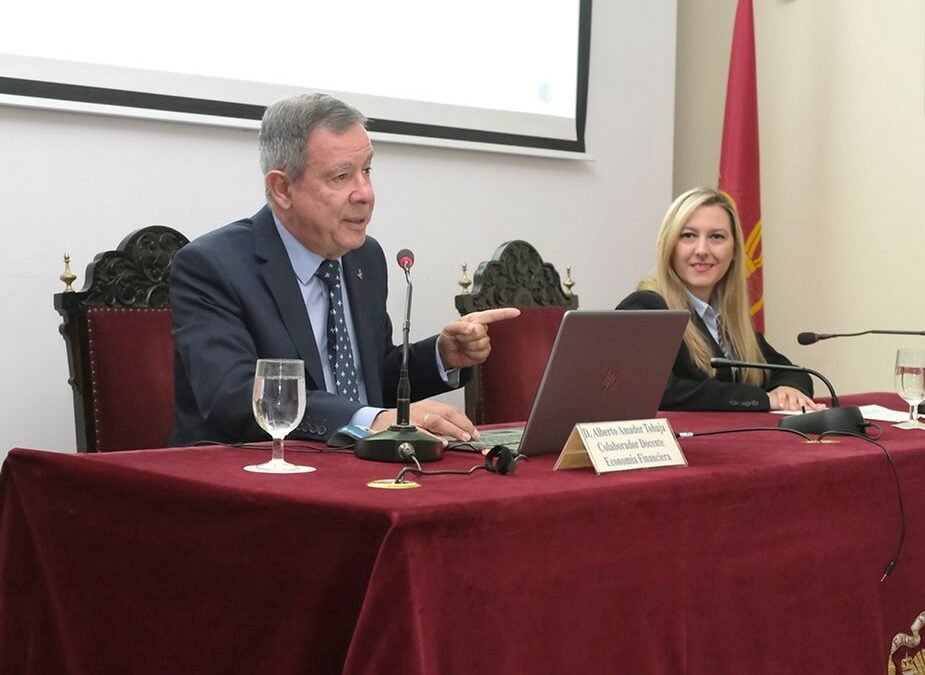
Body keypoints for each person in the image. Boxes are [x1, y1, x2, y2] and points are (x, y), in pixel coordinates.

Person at [170, 92, 518, 446]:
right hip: (253, 467)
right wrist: (369, 420)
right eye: (341, 176)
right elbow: (236, 396)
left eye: (366, 171)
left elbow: (369, 379)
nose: (365, 193)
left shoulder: (364, 257)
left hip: (356, 465)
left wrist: (441, 356)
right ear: (282, 188)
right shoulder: (213, 266)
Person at [616, 187, 822, 412]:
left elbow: (790, 372)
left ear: (734, 250)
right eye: (688, 236)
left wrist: (789, 389)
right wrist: (763, 399)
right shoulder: (646, 307)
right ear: (669, 247)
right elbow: (655, 390)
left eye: (716, 237)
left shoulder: (726, 319)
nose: (702, 250)